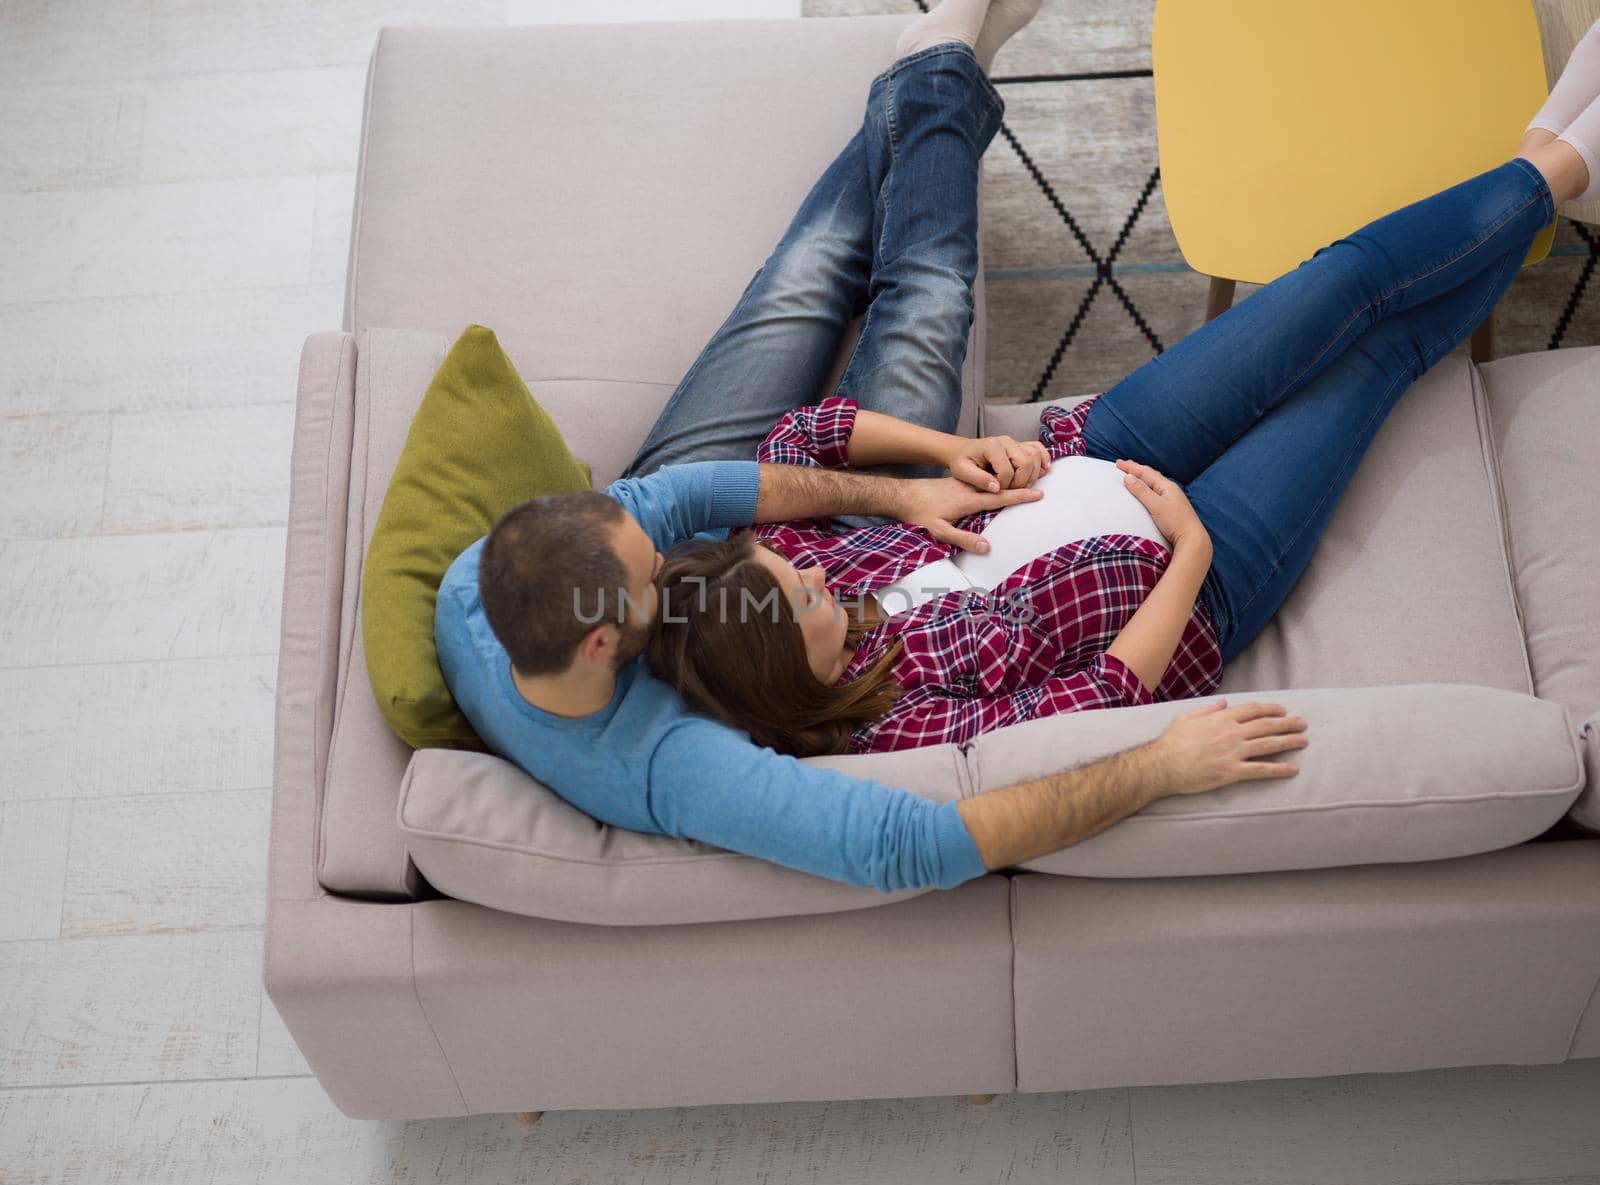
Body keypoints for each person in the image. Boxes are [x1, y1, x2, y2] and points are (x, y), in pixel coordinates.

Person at [435, 0, 1311, 895]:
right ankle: (937, 69)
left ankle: (935, 68)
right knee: (921, 311)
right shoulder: (667, 765)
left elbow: (680, 502)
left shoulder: (479, 590)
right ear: (600, 646)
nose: (671, 556)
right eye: (651, 576)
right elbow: (912, 849)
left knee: (801, 284)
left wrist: (905, 498)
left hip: (783, 575)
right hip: (781, 625)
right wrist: (1159, 766)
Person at [647, 20, 1600, 758]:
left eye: (792, 571)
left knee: (1337, 285)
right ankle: (1560, 158)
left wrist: (944, 459)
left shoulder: (788, 583)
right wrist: (1187, 547)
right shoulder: (891, 730)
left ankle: (1550, 164)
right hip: (1203, 569)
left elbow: (803, 437)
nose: (815, 575)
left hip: (1093, 446)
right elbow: (1098, 700)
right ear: (790, 686)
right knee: (1376, 359)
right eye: (805, 598)